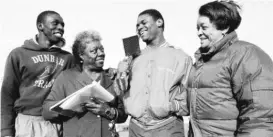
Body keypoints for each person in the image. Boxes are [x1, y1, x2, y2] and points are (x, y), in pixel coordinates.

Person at [187, 1, 273, 136]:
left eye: (204, 27)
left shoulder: (245, 55)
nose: (199, 33)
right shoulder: (201, 62)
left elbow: (259, 117)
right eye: (197, 28)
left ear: (224, 27)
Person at [116, 9, 192, 137]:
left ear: (159, 22)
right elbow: (120, 93)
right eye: (137, 25)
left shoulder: (181, 57)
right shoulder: (133, 59)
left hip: (167, 128)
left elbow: (190, 97)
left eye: (143, 22)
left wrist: (167, 107)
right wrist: (121, 74)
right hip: (135, 128)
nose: (139, 27)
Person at [0, 10, 74, 137]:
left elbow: (82, 80)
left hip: (55, 123)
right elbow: (8, 95)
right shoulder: (18, 54)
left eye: (63, 25)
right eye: (55, 23)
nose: (61, 28)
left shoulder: (68, 58)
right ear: (40, 26)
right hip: (26, 124)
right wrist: (6, 131)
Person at [42, 30, 128, 137]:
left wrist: (107, 111)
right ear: (81, 55)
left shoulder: (112, 78)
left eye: (101, 49)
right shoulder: (66, 77)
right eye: (94, 51)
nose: (101, 53)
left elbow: (123, 115)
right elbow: (46, 111)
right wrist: (70, 108)